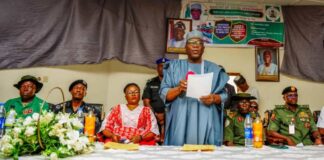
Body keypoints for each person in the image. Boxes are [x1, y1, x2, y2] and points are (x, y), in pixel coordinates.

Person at [160, 30, 229, 146]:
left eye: (199, 43)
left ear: (203, 48)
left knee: (207, 153)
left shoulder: (214, 68)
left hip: (206, 116)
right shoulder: (174, 67)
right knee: (179, 154)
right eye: (192, 43)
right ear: (185, 47)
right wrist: (179, 89)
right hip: (181, 118)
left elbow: (224, 95)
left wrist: (214, 98)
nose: (196, 46)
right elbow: (164, 93)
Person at [142, 57, 169, 144]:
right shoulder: (151, 83)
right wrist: (156, 115)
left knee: (169, 143)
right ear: (157, 68)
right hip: (153, 117)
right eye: (161, 66)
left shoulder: (174, 83)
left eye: (166, 66)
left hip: (170, 117)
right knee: (153, 143)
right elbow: (146, 102)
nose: (163, 68)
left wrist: (165, 115)